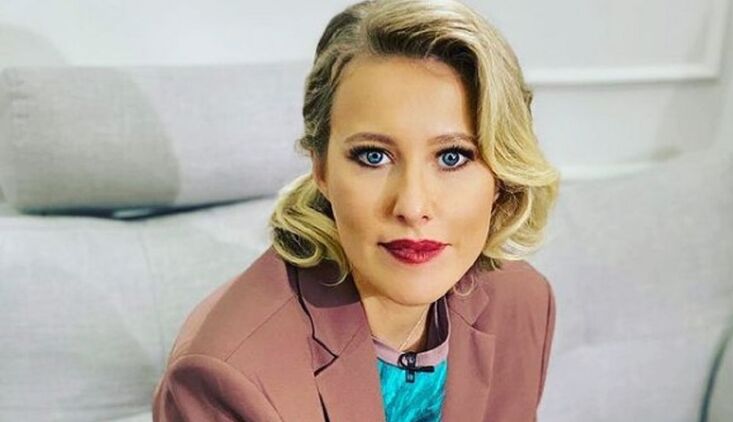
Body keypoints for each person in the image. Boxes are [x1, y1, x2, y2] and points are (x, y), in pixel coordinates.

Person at [151, 0, 560, 420]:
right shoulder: (228, 377)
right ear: (321, 167)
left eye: (452, 157)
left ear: (502, 175)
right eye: (373, 156)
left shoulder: (520, 302)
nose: (412, 206)